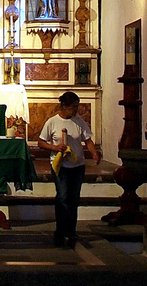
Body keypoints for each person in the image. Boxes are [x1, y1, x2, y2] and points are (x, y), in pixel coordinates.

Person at [37, 91, 100, 248]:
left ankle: (71, 231)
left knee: (74, 199)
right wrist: (55, 147)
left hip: (77, 166)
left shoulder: (79, 122)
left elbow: (88, 140)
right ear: (64, 106)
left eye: (77, 107)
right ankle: (60, 231)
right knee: (63, 197)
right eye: (73, 107)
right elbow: (41, 142)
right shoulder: (52, 122)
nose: (76, 110)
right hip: (60, 166)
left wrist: (94, 153)